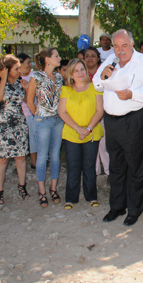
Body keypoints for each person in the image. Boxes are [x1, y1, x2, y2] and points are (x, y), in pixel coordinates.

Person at [93, 29, 143, 226]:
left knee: (136, 167)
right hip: (111, 121)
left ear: (132, 44)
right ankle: (117, 207)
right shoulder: (110, 61)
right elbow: (96, 85)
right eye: (116, 46)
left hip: (134, 120)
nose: (120, 50)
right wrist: (103, 77)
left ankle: (134, 210)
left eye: (124, 46)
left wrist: (131, 94)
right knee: (116, 166)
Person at [58, 59, 104, 209]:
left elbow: (99, 110)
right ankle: (71, 198)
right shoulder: (66, 90)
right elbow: (62, 111)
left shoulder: (95, 88)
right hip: (72, 133)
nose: (80, 73)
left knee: (90, 166)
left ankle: (91, 196)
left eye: (82, 69)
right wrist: (78, 129)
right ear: (70, 74)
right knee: (73, 167)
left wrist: (88, 129)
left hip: (91, 132)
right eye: (76, 70)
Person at [26, 48, 64, 208]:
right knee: (42, 157)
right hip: (43, 120)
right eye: (56, 56)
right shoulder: (36, 77)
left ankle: (53, 188)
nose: (60, 58)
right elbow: (29, 101)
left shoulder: (59, 77)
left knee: (55, 155)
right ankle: (41, 191)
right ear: (48, 59)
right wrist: (39, 117)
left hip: (58, 120)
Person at [0, 54, 30, 204]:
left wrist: (26, 90)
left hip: (19, 122)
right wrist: (4, 78)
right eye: (16, 68)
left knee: (20, 157)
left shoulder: (20, 82)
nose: (20, 71)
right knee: (2, 159)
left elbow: (25, 100)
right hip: (3, 124)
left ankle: (22, 186)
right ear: (6, 69)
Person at [17, 53, 37, 169]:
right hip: (19, 113)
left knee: (33, 138)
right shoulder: (15, 77)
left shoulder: (34, 76)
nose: (30, 65)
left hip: (31, 112)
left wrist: (27, 88)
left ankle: (34, 161)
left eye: (30, 62)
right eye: (27, 63)